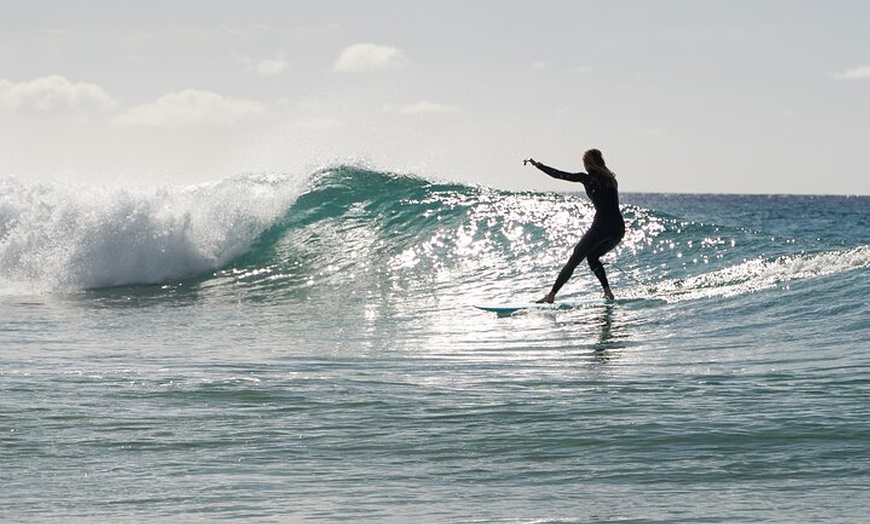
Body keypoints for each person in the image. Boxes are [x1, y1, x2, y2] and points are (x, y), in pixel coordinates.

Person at [524, 149, 625, 303]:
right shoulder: (611, 179)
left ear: (588, 163)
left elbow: (558, 174)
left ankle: (551, 295)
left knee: (575, 257)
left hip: (602, 226)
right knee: (592, 257)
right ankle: (608, 292)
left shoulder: (587, 179)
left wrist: (538, 165)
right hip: (618, 228)